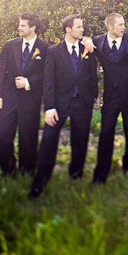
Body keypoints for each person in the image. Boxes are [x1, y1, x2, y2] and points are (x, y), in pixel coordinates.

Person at [29, 14, 97, 198]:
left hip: (82, 103)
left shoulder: (87, 48)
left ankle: (75, 175)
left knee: (81, 140)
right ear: (68, 29)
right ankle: (40, 180)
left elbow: (92, 75)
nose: (82, 30)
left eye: (82, 27)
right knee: (49, 140)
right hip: (59, 104)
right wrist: (49, 107)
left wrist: (92, 97)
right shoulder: (53, 51)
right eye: (79, 27)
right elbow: (48, 81)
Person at [0, 12, 50, 176]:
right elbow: (0, 72)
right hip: (9, 98)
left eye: (23, 25)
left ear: (33, 27)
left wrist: (29, 82)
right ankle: (8, 169)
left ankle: (27, 170)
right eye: (19, 24)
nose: (19, 28)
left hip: (31, 100)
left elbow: (48, 75)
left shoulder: (45, 48)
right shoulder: (10, 45)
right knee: (2, 135)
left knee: (28, 138)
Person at [89, 13, 128, 183]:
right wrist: (85, 40)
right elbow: (86, 41)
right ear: (110, 27)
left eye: (124, 24)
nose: (123, 27)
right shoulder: (97, 41)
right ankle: (102, 171)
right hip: (110, 96)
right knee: (105, 132)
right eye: (119, 25)